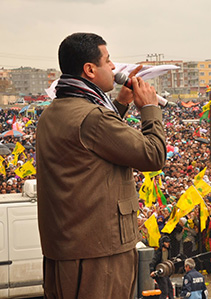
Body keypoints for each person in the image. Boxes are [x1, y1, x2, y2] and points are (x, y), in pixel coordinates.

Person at [36, 32, 166, 298]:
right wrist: (150, 109)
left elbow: (90, 143)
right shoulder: (92, 117)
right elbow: (153, 156)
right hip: (98, 254)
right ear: (90, 70)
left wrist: (120, 103)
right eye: (108, 60)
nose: (114, 67)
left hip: (69, 249)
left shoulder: (54, 111)